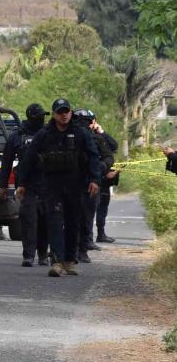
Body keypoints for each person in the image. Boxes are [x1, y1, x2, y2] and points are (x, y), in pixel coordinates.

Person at [19, 98, 101, 278]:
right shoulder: (44, 134)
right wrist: (22, 184)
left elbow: (93, 156)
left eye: (67, 111)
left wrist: (94, 180)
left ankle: (69, 261)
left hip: (75, 185)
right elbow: (29, 159)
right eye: (60, 112)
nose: (64, 115)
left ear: (71, 113)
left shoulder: (81, 133)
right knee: (54, 222)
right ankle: (56, 262)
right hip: (52, 185)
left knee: (73, 223)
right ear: (54, 114)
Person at [0, 102, 49, 267]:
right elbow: (6, 161)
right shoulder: (17, 136)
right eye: (40, 117)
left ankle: (43, 254)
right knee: (28, 220)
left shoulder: (49, 133)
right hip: (26, 185)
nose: (42, 119)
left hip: (47, 184)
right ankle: (28, 255)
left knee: (45, 220)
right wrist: (3, 186)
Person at [73, 109, 115, 263]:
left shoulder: (96, 138)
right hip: (67, 183)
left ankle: (82, 249)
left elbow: (109, 157)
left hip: (89, 183)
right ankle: (64, 250)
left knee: (85, 218)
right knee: (66, 218)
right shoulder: (63, 135)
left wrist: (99, 168)